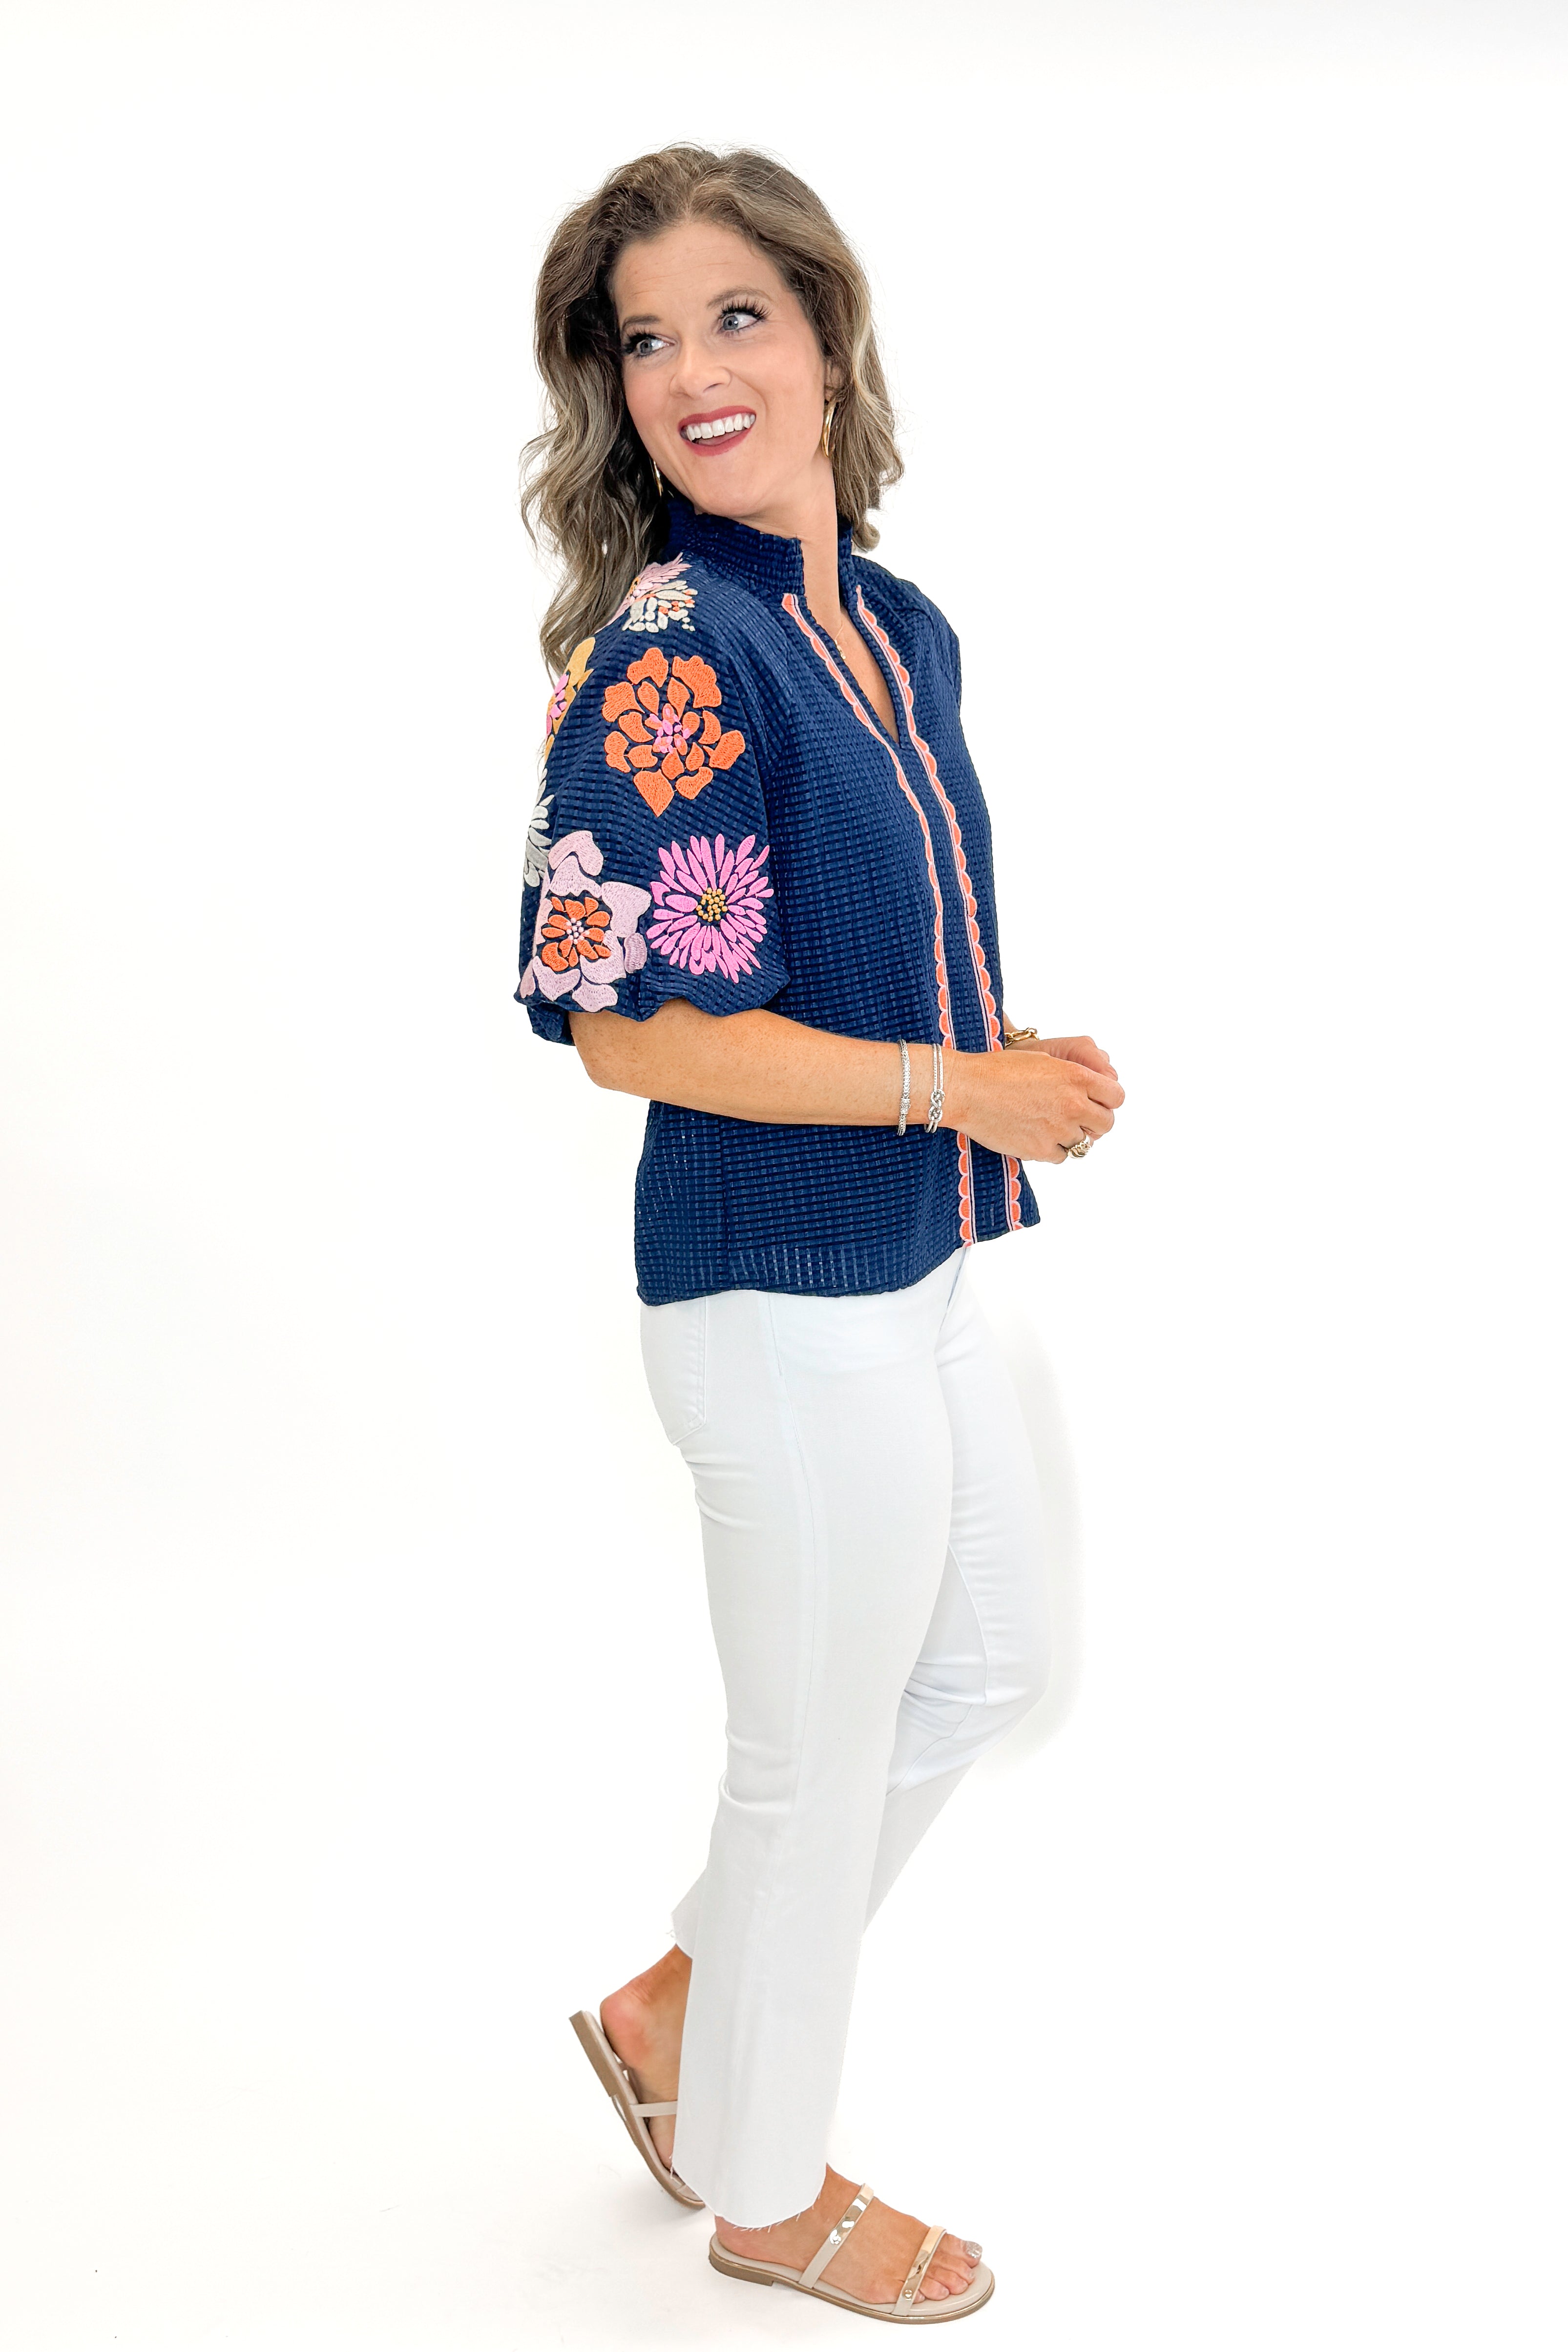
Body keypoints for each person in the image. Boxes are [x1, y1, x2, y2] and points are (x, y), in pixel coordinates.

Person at [518, 143, 1123, 2324]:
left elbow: (849, 955)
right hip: (778, 1290)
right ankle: (761, 2186)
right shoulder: (675, 654)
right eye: (643, 338)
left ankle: (689, 1999)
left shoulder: (888, 621)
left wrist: (980, 1046)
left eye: (731, 316)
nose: (688, 371)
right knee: (806, 1753)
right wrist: (955, 1084)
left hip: (926, 1250)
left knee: (999, 1668)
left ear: (826, 327)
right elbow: (632, 1027)